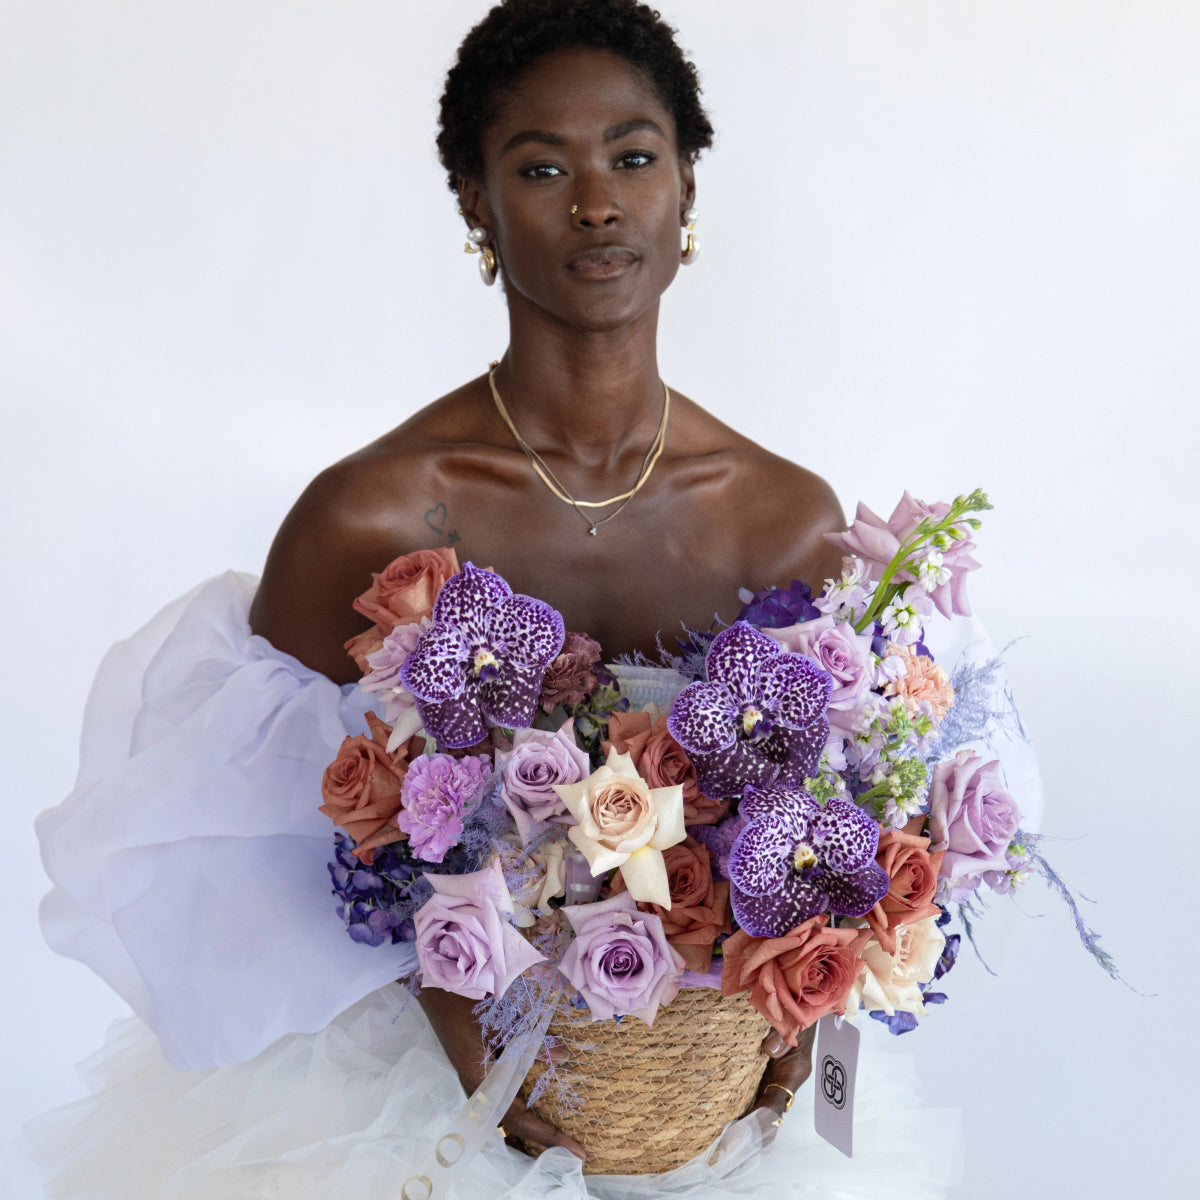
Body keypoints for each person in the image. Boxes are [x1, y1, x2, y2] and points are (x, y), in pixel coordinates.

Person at [32, 3, 974, 1196]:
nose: (597, 201)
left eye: (634, 156)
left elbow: (837, 833)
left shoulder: (782, 518)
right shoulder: (367, 519)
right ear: (476, 204)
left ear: (688, 186)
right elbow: (261, 869)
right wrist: (475, 1049)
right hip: (413, 1119)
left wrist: (793, 1030)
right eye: (541, 167)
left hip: (714, 1111)